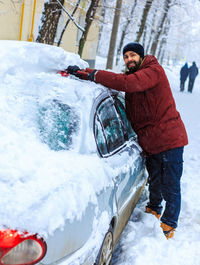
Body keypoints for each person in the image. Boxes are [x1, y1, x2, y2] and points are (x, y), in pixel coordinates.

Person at [65, 42, 188, 239]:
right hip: (152, 142)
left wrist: (93, 74)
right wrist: (83, 72)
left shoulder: (153, 70)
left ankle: (169, 224)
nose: (129, 59)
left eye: (132, 55)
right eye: (126, 56)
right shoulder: (135, 77)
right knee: (155, 179)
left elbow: (127, 83)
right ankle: (154, 209)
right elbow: (123, 84)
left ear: (141, 56)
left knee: (170, 184)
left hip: (169, 139)